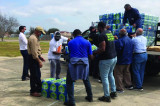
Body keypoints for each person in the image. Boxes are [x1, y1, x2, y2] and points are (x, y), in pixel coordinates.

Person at [64, 29, 93, 106]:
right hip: (84, 63)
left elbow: (70, 53)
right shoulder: (87, 42)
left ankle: (72, 101)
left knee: (69, 82)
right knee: (86, 80)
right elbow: (90, 55)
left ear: (74, 34)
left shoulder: (70, 42)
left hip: (74, 64)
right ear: (81, 34)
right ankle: (90, 97)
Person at [93, 22, 117, 102]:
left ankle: (106, 96)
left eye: (97, 28)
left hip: (106, 59)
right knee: (110, 74)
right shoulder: (109, 33)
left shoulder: (102, 35)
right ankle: (113, 92)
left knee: (104, 77)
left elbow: (103, 48)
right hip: (114, 57)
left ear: (100, 27)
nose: (97, 29)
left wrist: (95, 52)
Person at [28, 26, 46, 97]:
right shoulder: (33, 39)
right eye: (40, 33)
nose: (41, 34)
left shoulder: (36, 38)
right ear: (37, 31)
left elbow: (37, 50)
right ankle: (33, 91)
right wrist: (39, 61)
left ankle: (38, 89)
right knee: (34, 76)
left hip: (35, 57)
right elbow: (34, 52)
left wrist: (40, 57)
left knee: (37, 74)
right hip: (33, 59)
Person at [114, 29, 133, 93]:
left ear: (120, 34)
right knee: (127, 72)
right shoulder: (130, 40)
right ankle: (129, 85)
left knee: (118, 74)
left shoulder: (119, 41)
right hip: (128, 59)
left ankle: (119, 88)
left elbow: (117, 51)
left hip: (121, 60)